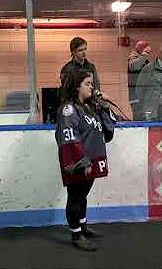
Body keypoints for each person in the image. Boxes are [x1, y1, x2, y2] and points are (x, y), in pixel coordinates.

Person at [55, 69, 116, 251]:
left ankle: (83, 227)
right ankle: (76, 235)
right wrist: (83, 162)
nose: (92, 87)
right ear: (76, 87)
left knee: (82, 196)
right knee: (75, 197)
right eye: (87, 84)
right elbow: (68, 138)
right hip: (80, 162)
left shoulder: (90, 107)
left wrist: (105, 105)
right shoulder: (69, 110)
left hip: (92, 160)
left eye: (92, 84)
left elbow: (109, 128)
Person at [128, 40, 152, 120]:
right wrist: (145, 54)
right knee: (140, 121)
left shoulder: (145, 61)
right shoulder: (133, 58)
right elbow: (135, 66)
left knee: (146, 121)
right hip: (136, 98)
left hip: (145, 98)